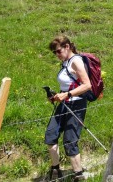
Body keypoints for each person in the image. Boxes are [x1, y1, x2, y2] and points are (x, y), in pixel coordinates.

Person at [46, 36, 91, 181]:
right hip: (64, 104)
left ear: (67, 47)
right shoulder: (66, 62)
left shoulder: (76, 61)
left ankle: (78, 175)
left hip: (76, 104)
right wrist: (56, 96)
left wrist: (67, 94)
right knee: (50, 136)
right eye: (54, 53)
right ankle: (56, 169)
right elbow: (67, 85)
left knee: (70, 140)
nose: (57, 55)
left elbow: (87, 85)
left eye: (58, 51)